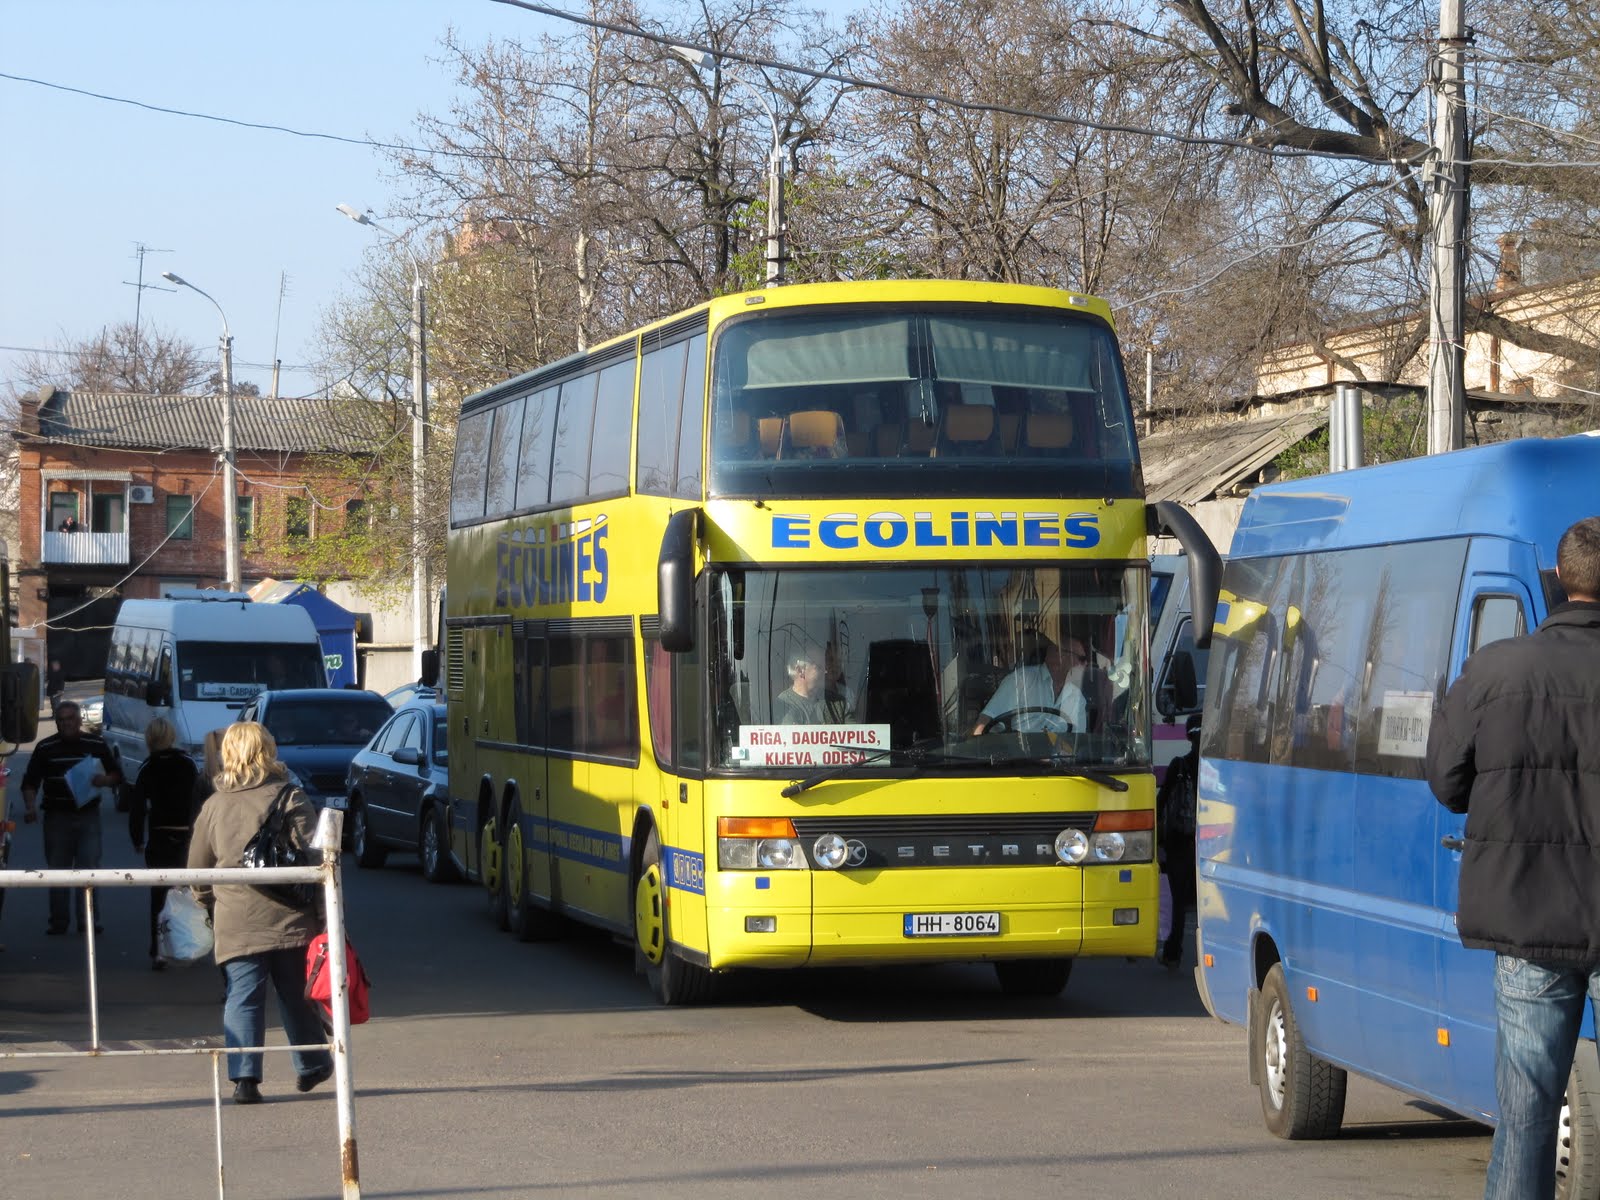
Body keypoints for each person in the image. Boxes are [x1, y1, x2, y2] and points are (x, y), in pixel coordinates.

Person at [1425, 515, 1600, 1200]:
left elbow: (1447, 783)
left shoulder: (1494, 669)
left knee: (1527, 1115)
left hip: (1528, 916)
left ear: (1557, 583)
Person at [187, 722, 334, 1105]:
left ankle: (245, 1079)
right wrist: (326, 913)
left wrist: (208, 902)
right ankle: (312, 1063)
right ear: (267, 750)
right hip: (289, 917)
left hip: (236, 917)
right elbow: (315, 860)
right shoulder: (290, 796)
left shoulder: (214, 805)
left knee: (243, 995)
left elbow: (197, 867)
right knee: (295, 993)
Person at [20, 700, 122, 935]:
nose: (66, 724)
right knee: (57, 871)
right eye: (61, 720)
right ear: (57, 723)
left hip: (88, 816)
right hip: (57, 816)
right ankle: (58, 921)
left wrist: (104, 781)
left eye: (70, 719)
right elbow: (30, 781)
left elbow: (116, 774)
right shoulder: (46, 747)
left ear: (79, 721)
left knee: (88, 870)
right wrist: (30, 806)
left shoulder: (95, 743)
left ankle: (88, 921)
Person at [129, 717, 200, 970]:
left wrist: (137, 838)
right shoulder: (188, 764)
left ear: (150, 739)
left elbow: (137, 808)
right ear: (171, 736)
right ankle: (188, 943)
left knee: (158, 897)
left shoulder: (147, 767)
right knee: (188, 894)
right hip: (186, 837)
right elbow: (198, 800)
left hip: (159, 837)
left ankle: (157, 950)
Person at [973, 633, 1087, 734]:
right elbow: (983, 723)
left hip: (1059, 757)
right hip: (1018, 755)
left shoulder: (1077, 696)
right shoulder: (1020, 680)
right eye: (1082, 659)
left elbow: (1077, 743)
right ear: (1061, 656)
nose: (1086, 664)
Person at [1157, 713, 1201, 970]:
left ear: (1188, 736)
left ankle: (1173, 952)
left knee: (1179, 900)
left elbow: (1162, 801)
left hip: (1180, 841)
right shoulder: (1215, 767)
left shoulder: (1179, 765)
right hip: (1211, 841)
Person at [772, 653, 850, 725]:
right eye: (819, 667)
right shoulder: (782, 706)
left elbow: (855, 734)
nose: (826, 671)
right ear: (800, 670)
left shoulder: (837, 703)